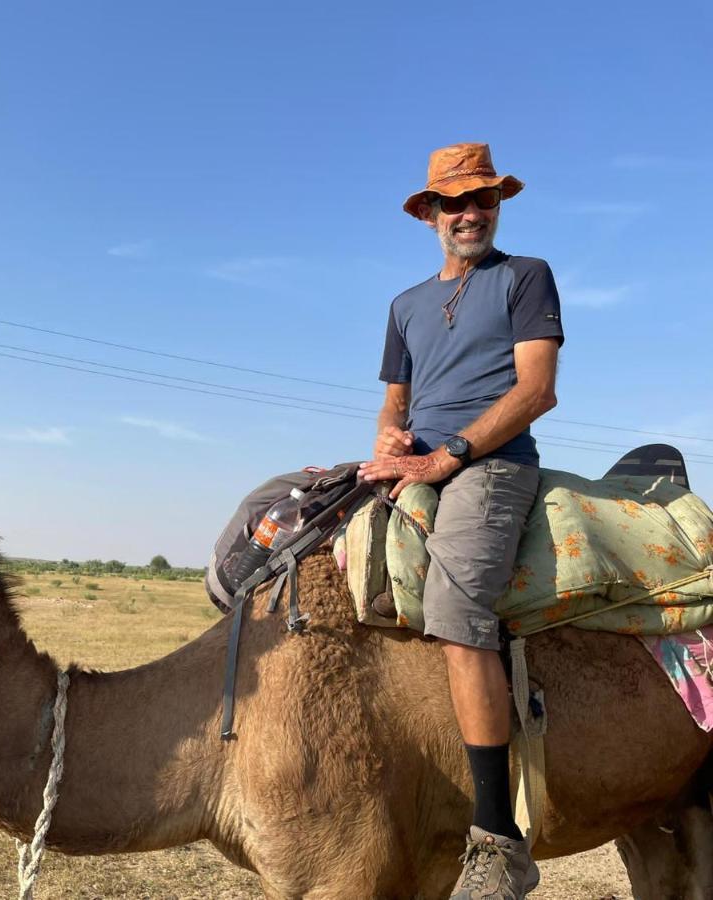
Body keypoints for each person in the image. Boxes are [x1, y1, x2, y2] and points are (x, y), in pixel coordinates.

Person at [359, 143, 564, 900]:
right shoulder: (404, 304)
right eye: (455, 203)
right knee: (283, 529)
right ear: (430, 215)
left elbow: (537, 390)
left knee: (455, 606)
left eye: (483, 199)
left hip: (493, 462)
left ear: (497, 206)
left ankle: (495, 841)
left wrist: (448, 456)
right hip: (420, 459)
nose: (470, 213)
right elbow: (394, 398)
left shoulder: (524, 277)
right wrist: (390, 438)